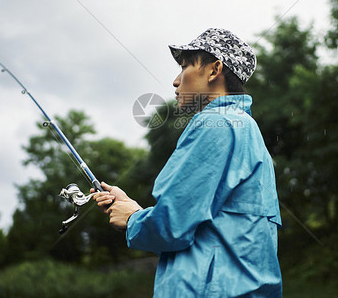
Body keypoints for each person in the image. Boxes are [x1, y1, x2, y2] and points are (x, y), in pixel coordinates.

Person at [93, 28, 283, 297]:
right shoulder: (247, 131)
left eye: (184, 67)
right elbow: (201, 236)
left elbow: (172, 226)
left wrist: (134, 219)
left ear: (214, 70)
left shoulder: (215, 124)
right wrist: (134, 209)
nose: (175, 81)